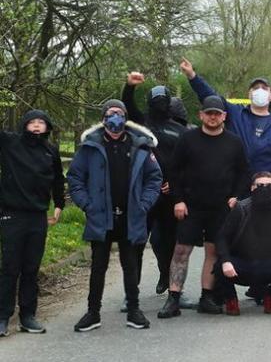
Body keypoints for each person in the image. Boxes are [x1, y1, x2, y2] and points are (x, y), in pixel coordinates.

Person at [67, 100, 163, 331]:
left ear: (126, 117)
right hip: (101, 216)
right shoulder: (90, 146)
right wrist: (86, 204)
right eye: (110, 113)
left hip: (131, 216)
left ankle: (133, 311)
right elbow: (75, 178)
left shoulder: (140, 146)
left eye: (119, 113)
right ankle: (93, 313)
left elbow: (154, 178)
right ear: (103, 118)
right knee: (98, 266)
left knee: (131, 265)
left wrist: (144, 204)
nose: (115, 118)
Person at [158, 95, 250, 319]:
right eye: (208, 113)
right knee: (181, 251)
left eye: (217, 113)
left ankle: (206, 297)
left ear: (224, 117)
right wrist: (178, 200)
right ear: (201, 115)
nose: (212, 117)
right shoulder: (187, 139)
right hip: (191, 206)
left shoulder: (234, 142)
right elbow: (173, 171)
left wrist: (236, 197)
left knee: (213, 251)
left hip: (220, 208)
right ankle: (174, 298)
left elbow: (243, 173)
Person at [178, 58, 271, 196]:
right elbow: (211, 97)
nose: (260, 91)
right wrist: (192, 75)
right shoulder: (236, 113)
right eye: (256, 88)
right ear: (249, 94)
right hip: (232, 189)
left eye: (264, 88)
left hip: (262, 191)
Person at [122, 72, 191, 299]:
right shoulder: (141, 125)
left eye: (163, 100)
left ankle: (169, 282)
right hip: (144, 194)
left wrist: (175, 184)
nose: (159, 105)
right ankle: (131, 292)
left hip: (170, 195)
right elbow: (128, 107)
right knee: (137, 243)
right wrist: (129, 87)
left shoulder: (180, 131)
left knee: (168, 243)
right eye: (155, 101)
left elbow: (185, 163)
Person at [0, 110, 65, 336]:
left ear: (47, 127)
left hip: (38, 216)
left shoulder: (50, 151)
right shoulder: (10, 143)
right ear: (24, 125)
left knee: (31, 268)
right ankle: (2, 316)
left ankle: (28, 316)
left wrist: (58, 206)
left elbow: (58, 180)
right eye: (32, 123)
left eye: (41, 123)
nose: (37, 126)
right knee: (10, 267)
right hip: (12, 214)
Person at [214, 172, 271, 315]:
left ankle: (270, 296)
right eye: (260, 185)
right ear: (252, 188)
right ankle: (231, 299)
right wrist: (226, 261)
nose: (264, 188)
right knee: (218, 266)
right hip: (242, 263)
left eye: (269, 185)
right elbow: (222, 238)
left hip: (269, 263)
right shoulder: (240, 209)